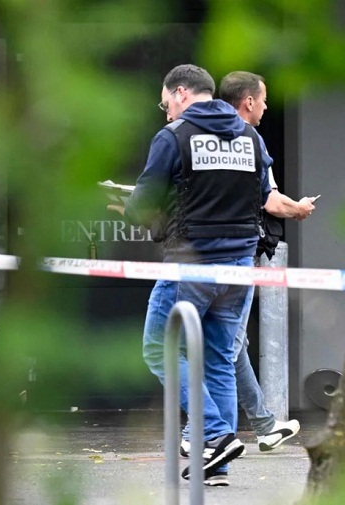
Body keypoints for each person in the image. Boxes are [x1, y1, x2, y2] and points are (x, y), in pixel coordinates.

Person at [112, 64, 294, 487]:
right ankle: (218, 466)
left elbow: (142, 207)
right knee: (218, 360)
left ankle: (214, 432)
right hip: (240, 267)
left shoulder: (173, 138)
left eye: (165, 104)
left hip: (190, 265)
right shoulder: (252, 138)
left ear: (179, 93)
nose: (165, 112)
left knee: (159, 349)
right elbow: (265, 198)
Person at [179, 71, 316, 458]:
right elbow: (269, 200)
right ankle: (199, 430)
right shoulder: (248, 140)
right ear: (249, 102)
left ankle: (263, 424)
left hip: (199, 255)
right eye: (265, 99)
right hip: (235, 256)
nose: (267, 107)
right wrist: (300, 209)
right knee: (220, 345)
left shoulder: (191, 137)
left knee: (228, 345)